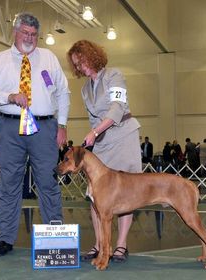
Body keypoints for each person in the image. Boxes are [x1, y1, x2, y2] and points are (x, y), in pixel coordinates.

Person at [0, 12, 70, 257]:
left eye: (34, 34)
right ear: (15, 32)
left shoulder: (49, 58)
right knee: (9, 184)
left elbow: (63, 92)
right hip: (10, 126)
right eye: (25, 33)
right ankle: (5, 238)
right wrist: (8, 96)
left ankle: (56, 237)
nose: (30, 38)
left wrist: (62, 125)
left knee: (48, 183)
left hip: (44, 128)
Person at [67, 40, 142, 263]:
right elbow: (93, 118)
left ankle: (121, 245)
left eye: (81, 60)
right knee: (94, 195)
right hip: (102, 142)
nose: (80, 66)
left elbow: (117, 108)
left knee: (127, 193)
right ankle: (101, 245)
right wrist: (94, 138)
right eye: (76, 64)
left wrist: (95, 132)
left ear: (92, 55)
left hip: (123, 136)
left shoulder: (114, 75)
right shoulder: (84, 89)